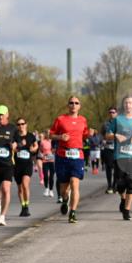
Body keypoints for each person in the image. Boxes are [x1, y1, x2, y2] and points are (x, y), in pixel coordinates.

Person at [106, 95, 132, 221]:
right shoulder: (117, 120)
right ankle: (123, 198)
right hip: (120, 156)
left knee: (131, 182)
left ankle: (126, 210)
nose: (127, 105)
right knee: (120, 184)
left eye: (130, 103)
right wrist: (115, 135)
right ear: (123, 105)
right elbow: (107, 135)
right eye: (125, 103)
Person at [49, 95, 90, 223]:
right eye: (71, 103)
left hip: (77, 156)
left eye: (76, 103)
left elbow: (85, 135)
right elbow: (50, 134)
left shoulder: (83, 120)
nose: (73, 105)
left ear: (80, 106)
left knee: (74, 183)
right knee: (63, 189)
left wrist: (90, 133)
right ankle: (65, 200)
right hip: (62, 156)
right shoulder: (60, 119)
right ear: (68, 105)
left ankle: (73, 212)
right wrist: (60, 137)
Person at [13, 117, 38, 217]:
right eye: (18, 124)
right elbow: (13, 149)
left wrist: (33, 149)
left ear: (26, 124)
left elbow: (36, 145)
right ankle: (23, 206)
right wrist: (19, 145)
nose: (21, 126)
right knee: (20, 188)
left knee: (25, 184)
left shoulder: (31, 136)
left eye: (22, 124)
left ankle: (27, 205)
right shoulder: (15, 136)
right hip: (17, 165)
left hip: (27, 164)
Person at [101, 107, 118, 193]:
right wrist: (105, 138)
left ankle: (115, 185)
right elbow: (103, 135)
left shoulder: (120, 123)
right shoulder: (105, 124)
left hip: (117, 148)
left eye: (113, 112)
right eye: (110, 112)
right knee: (108, 168)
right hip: (108, 148)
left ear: (116, 113)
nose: (111, 114)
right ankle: (109, 186)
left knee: (116, 168)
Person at [39, 131, 56, 198]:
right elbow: (40, 150)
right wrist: (42, 155)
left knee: (51, 176)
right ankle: (46, 189)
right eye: (47, 133)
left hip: (52, 160)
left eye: (49, 133)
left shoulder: (52, 141)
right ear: (45, 134)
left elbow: (55, 149)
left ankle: (51, 190)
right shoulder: (42, 142)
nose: (48, 134)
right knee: (45, 175)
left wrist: (52, 151)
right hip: (45, 160)